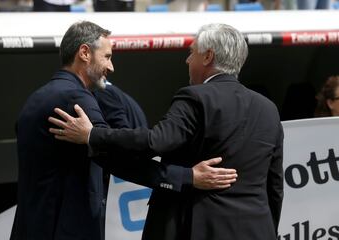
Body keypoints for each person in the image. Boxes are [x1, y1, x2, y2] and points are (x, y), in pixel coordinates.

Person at [49, 23, 284, 240]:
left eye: (192, 52)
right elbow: (275, 187)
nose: (187, 60)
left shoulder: (196, 97)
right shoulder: (269, 109)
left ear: (208, 56)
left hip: (200, 227)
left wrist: (92, 135)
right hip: (258, 229)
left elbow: (155, 141)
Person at [11, 21, 237, 240]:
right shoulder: (77, 98)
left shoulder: (35, 98)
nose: (111, 67)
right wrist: (188, 177)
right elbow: (118, 159)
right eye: (107, 57)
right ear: (84, 53)